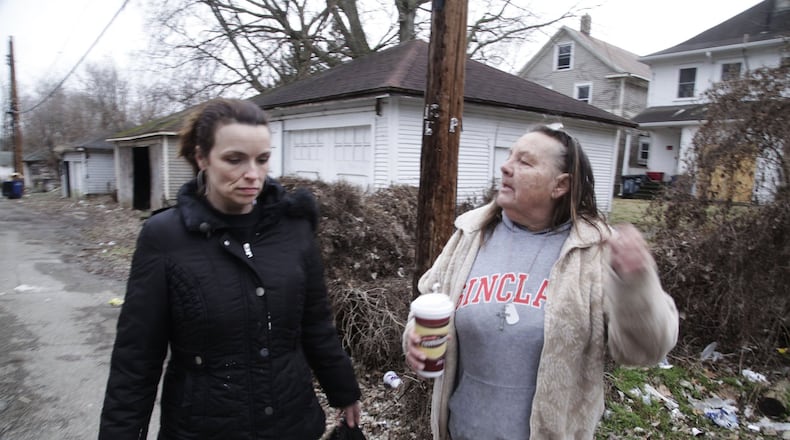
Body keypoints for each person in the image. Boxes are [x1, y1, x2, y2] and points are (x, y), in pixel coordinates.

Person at [99, 98, 361, 439]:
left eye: (262, 159)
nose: (253, 174)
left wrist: (344, 390)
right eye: (234, 160)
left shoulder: (293, 227)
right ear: (202, 157)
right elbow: (136, 358)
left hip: (293, 423)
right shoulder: (164, 237)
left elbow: (316, 324)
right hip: (201, 428)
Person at [403, 124, 678, 440]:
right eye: (510, 157)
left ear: (560, 185)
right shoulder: (470, 234)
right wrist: (414, 337)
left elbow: (646, 351)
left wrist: (636, 283)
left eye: (524, 161)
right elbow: (429, 300)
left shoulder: (594, 251)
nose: (506, 167)